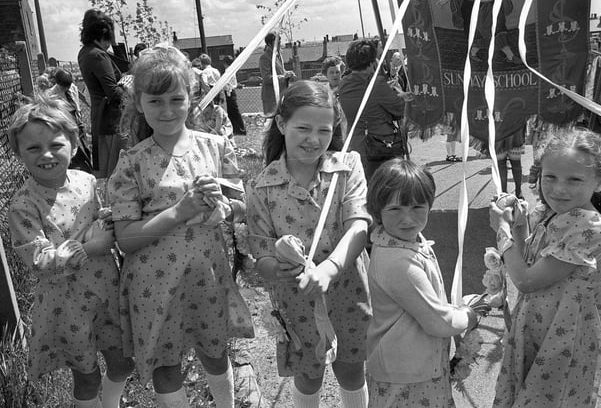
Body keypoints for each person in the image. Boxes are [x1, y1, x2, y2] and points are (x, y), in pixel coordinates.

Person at [107, 45, 253, 408]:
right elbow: (125, 239)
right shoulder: (131, 164)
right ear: (139, 103)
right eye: (155, 101)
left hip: (207, 274)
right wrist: (181, 210)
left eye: (177, 98)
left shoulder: (216, 147)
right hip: (153, 285)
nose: (168, 110)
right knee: (165, 364)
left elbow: (242, 204)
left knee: (215, 352)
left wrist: (224, 209)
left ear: (191, 97)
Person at [247, 80, 371, 407]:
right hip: (296, 299)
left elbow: (358, 225)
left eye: (325, 131)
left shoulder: (347, 168)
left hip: (348, 289)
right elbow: (261, 253)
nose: (314, 140)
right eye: (303, 128)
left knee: (351, 368)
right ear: (281, 123)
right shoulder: (261, 187)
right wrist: (280, 267)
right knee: (307, 373)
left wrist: (330, 269)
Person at [7, 96, 134, 408]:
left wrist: (109, 220)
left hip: (107, 291)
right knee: (87, 378)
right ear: (18, 152)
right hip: (67, 306)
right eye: (33, 148)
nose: (46, 154)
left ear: (74, 146)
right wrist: (89, 248)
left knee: (123, 363)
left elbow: (99, 219)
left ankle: (111, 403)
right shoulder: (23, 205)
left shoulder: (86, 181)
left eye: (55, 144)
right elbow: (39, 261)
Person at [489, 128, 601, 407]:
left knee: (549, 397)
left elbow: (526, 281)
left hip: (564, 332)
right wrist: (516, 226)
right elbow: (528, 260)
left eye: (574, 179)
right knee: (528, 390)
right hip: (538, 321)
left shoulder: (591, 227)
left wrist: (501, 233)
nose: (559, 188)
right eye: (550, 177)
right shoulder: (553, 214)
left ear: (599, 181)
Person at [365, 159, 485, 407]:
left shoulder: (402, 242)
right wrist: (470, 315)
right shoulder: (399, 262)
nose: (408, 218)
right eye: (395, 209)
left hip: (410, 368)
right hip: (408, 376)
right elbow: (438, 322)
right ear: (377, 212)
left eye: (418, 207)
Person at [339, 39, 412, 180]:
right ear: (372, 61)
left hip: (356, 144)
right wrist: (401, 96)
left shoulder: (344, 83)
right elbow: (398, 109)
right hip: (381, 145)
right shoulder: (376, 84)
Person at [77, 9, 127, 179]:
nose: (110, 42)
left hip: (100, 119)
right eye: (109, 37)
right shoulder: (98, 55)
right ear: (103, 34)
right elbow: (113, 93)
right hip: (112, 122)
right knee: (116, 172)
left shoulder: (85, 52)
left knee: (106, 170)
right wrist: (129, 86)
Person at [47, 68, 93, 173]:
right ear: (58, 83)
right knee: (73, 149)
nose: (67, 89)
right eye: (64, 87)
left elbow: (79, 96)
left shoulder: (72, 87)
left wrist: (87, 104)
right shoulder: (51, 94)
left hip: (77, 119)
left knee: (85, 146)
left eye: (68, 86)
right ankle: (76, 170)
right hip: (66, 123)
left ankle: (88, 168)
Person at [259, 30, 296, 115]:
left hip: (281, 94)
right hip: (271, 97)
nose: (279, 44)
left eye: (279, 42)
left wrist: (288, 73)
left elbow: (281, 71)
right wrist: (284, 77)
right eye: (276, 42)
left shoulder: (278, 55)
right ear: (269, 44)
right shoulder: (264, 58)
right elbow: (267, 78)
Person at [222, 55, 247, 135]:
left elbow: (228, 82)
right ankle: (235, 129)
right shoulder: (232, 69)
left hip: (230, 91)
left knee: (234, 111)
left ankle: (241, 129)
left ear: (225, 63)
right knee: (231, 111)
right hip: (230, 91)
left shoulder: (228, 70)